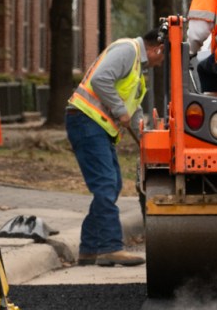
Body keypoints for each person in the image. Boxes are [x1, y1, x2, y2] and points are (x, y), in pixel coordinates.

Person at [66, 28, 169, 267]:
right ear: (157, 49)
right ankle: (111, 247)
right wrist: (119, 111)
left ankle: (90, 248)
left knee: (112, 185)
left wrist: (148, 140)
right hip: (85, 121)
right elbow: (100, 79)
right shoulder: (127, 50)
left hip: (94, 125)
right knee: (105, 184)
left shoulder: (137, 69)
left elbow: (133, 111)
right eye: (162, 58)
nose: (159, 64)